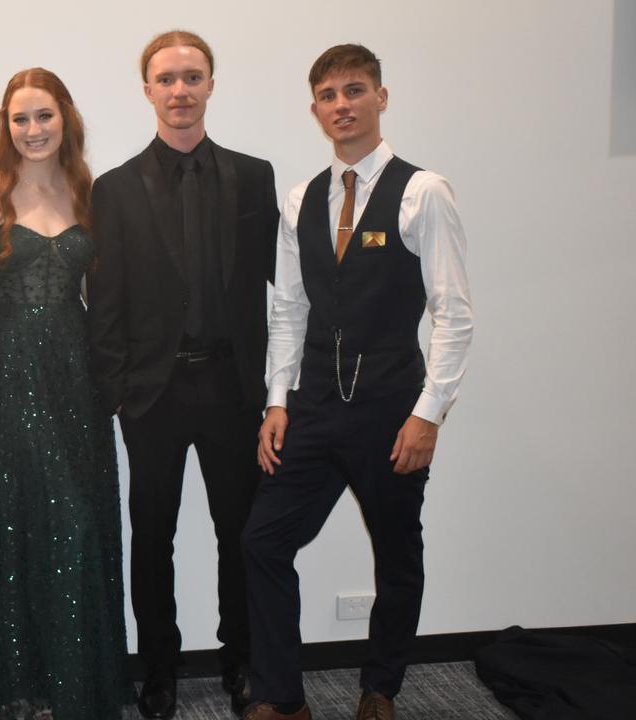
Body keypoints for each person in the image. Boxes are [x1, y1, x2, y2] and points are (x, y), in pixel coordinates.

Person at [241, 44, 474, 720]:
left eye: (354, 90)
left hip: (390, 410)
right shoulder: (302, 197)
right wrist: (276, 403)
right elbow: (287, 308)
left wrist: (427, 413)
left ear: (380, 96)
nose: (340, 104)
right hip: (310, 407)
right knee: (261, 541)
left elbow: (452, 315)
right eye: (327, 94)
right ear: (313, 107)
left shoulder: (422, 191)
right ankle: (282, 699)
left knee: (397, 553)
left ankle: (381, 687)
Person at [87, 29, 280, 718]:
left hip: (232, 392)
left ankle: (241, 664)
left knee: (240, 535)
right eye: (165, 78)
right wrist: (118, 395)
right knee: (153, 539)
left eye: (191, 77)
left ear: (209, 85)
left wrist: (277, 391)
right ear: (146, 90)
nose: (179, 90)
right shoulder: (112, 190)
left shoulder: (254, 176)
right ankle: (159, 673)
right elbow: (102, 306)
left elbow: (279, 290)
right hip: (154, 397)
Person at [0, 68, 129, 720]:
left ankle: (71, 682)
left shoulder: (90, 191)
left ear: (65, 118)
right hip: (1, 368)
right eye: (19, 118)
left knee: (72, 518)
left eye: (43, 116)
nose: (32, 130)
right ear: (4, 123)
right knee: (15, 519)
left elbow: (104, 296)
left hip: (72, 372)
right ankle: (12, 681)